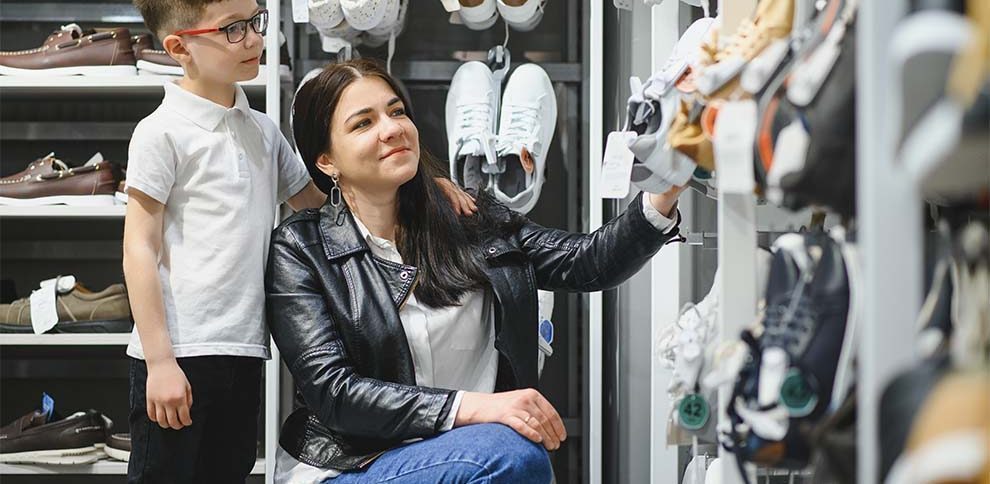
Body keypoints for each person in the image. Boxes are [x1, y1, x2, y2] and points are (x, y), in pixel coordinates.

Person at [266, 59, 688, 483]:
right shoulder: (301, 249)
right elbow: (334, 393)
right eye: (363, 124)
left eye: (396, 112)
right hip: (352, 466)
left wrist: (664, 191)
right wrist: (476, 408)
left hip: (469, 455)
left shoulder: (468, 218)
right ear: (326, 161)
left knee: (508, 451)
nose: (392, 128)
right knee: (510, 452)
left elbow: (587, 262)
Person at [124, 2, 472, 482]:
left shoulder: (263, 131)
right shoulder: (160, 133)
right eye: (232, 29)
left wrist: (423, 189)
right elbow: (138, 247)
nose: (252, 39)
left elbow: (322, 203)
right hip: (178, 353)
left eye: (255, 21)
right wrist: (160, 361)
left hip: (245, 350)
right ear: (179, 47)